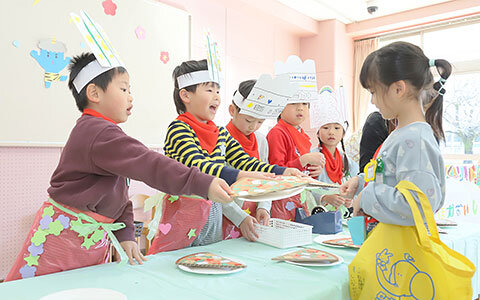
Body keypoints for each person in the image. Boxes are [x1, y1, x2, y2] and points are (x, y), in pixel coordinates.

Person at [5, 53, 232, 282]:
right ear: (94, 93)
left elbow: (118, 191)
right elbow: (149, 163)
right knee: (46, 289)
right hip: (64, 237)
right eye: (124, 90)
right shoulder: (97, 132)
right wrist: (202, 182)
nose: (130, 97)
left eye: (130, 90)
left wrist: (125, 233)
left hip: (88, 237)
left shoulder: (103, 131)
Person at [147, 60, 303, 254]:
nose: (217, 97)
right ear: (186, 95)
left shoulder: (220, 133)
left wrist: (283, 171)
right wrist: (241, 176)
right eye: (209, 90)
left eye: (218, 91)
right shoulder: (179, 129)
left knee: (209, 261)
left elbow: (245, 161)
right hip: (183, 216)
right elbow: (199, 166)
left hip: (213, 214)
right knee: (174, 265)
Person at [340, 41, 451, 228]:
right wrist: (360, 182)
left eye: (373, 92)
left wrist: (366, 197)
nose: (373, 101)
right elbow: (390, 177)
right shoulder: (402, 134)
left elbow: (418, 204)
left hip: (400, 252)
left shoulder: (415, 140)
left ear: (398, 89)